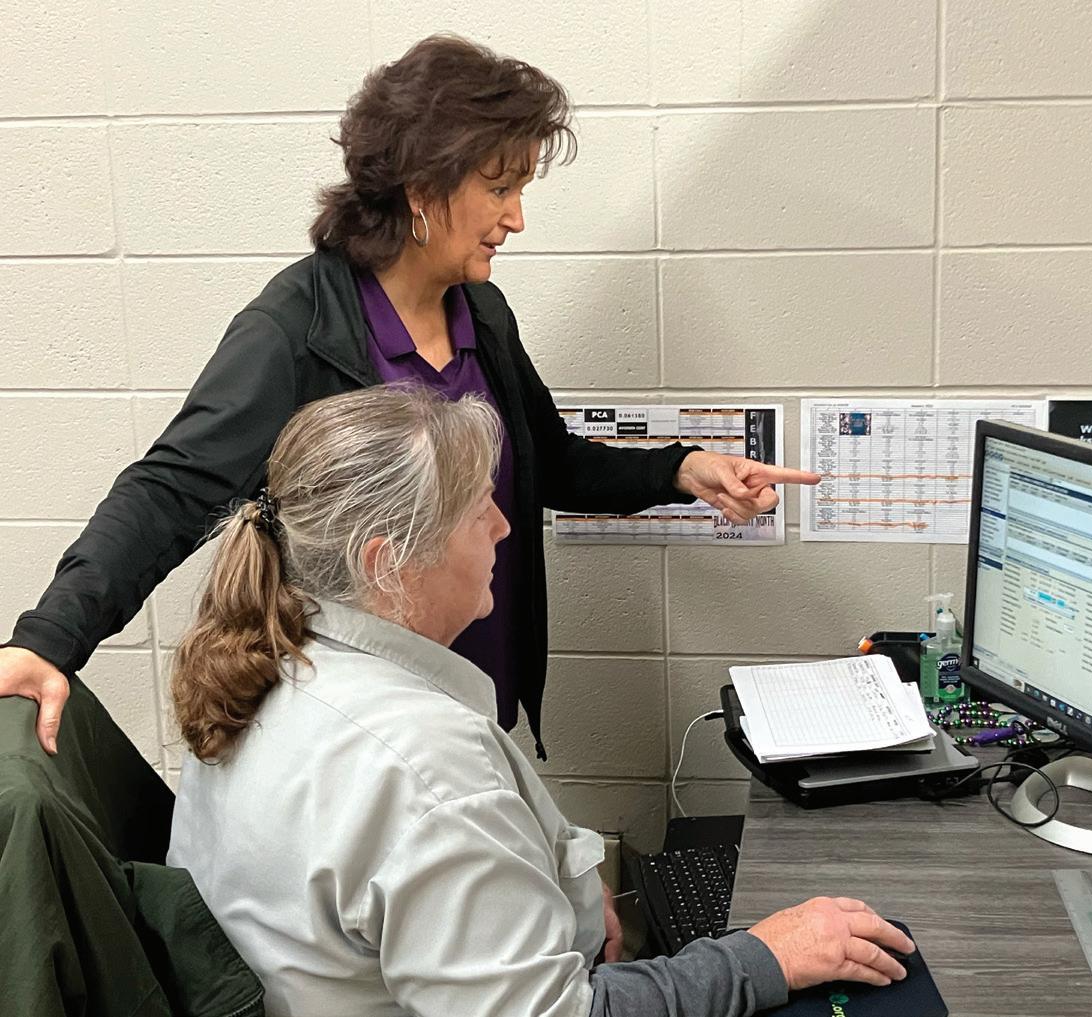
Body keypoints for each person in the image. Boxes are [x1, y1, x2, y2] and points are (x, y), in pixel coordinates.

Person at [0, 33, 817, 758]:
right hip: (363, 730)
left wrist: (682, 470)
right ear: (424, 191)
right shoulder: (296, 328)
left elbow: (547, 463)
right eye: (499, 189)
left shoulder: (481, 312)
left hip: (473, 700)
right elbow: (170, 490)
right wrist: (49, 639)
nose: (517, 218)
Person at [166, 386, 911, 1017]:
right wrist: (763, 957)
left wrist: (564, 886)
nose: (503, 526)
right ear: (388, 562)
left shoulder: (264, 666)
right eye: (477, 511)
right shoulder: (420, 763)